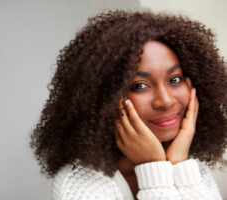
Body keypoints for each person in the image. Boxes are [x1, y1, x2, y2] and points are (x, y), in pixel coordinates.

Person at [30, 10, 227, 199]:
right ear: (105, 96)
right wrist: (154, 169)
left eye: (175, 80)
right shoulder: (82, 186)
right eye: (140, 85)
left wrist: (178, 165)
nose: (166, 101)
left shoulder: (187, 163)